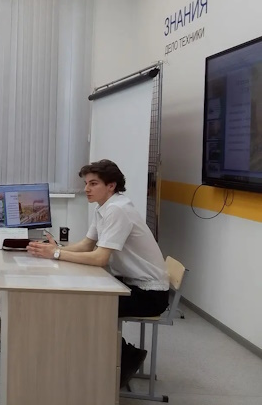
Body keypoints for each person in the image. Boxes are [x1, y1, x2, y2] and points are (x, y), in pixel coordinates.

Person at [27, 159, 170, 389]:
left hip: (150, 294)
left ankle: (125, 355)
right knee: (80, 301)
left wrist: (56, 254)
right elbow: (86, 244)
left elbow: (99, 258)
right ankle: (112, 356)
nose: (86, 189)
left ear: (111, 186)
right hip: (131, 283)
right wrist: (56, 249)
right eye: (86, 183)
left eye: (93, 184)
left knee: (86, 307)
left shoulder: (118, 210)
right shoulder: (104, 207)